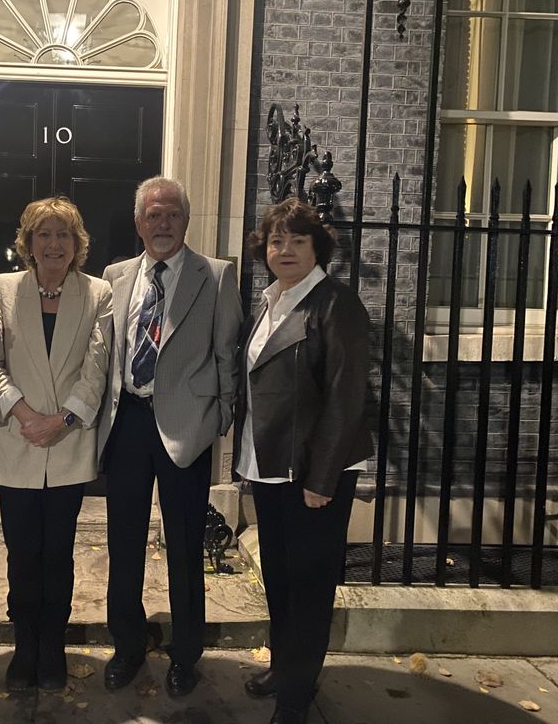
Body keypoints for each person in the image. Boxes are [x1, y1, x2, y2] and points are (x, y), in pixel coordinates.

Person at [97, 176, 243, 697]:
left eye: (172, 214)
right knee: (124, 543)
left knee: (184, 547)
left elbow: (227, 352)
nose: (163, 224)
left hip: (187, 425)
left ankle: (186, 654)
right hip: (127, 424)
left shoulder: (216, 275)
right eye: (153, 215)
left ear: (186, 220)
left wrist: (220, 418)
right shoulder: (114, 276)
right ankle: (128, 645)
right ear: (139, 223)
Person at [232, 198, 373, 724]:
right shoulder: (269, 301)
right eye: (276, 240)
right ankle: (285, 667)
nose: (284, 249)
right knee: (279, 577)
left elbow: (346, 396)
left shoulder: (336, 304)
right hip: (268, 464)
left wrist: (323, 477)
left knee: (309, 586)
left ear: (318, 248)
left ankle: (295, 697)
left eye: (297, 240)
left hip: (312, 472)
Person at [0, 197, 113, 694]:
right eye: (44, 234)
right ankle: (25, 645)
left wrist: (64, 418)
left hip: (69, 442)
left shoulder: (98, 293)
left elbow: (99, 365)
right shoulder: (1, 288)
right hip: (15, 439)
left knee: (58, 553)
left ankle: (52, 645)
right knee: (21, 553)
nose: (54, 244)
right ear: (28, 243)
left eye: (63, 235)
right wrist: (24, 414)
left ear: (77, 244)